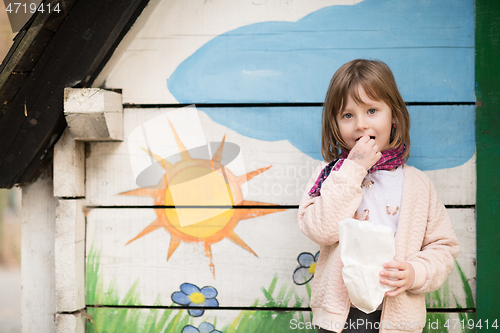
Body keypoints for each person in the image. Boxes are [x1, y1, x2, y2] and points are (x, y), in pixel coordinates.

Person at [297, 59, 459, 333]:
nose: (360, 124)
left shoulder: (418, 184)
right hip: (341, 315)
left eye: (372, 110)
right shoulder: (331, 175)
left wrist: (414, 273)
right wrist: (353, 169)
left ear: (393, 116)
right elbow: (319, 229)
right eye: (347, 115)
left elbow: (443, 247)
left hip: (396, 316)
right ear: (335, 124)